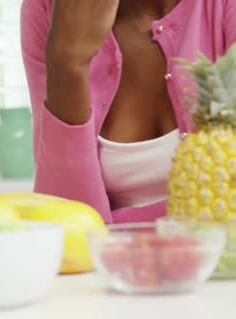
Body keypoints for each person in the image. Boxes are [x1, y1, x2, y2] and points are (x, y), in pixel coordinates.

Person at [21, 0, 236, 224]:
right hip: (98, 259)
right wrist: (67, 63)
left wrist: (117, 230)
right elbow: (60, 225)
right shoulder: (47, 8)